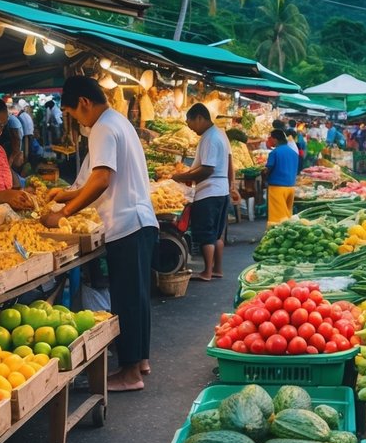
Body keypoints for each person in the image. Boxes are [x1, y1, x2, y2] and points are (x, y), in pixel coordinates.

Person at [40, 76, 158, 393]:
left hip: (126, 223)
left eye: (76, 115)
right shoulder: (119, 122)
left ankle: (130, 373)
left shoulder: (103, 127)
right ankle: (140, 361)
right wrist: (65, 196)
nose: (78, 122)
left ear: (84, 103)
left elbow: (102, 179)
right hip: (140, 221)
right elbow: (97, 179)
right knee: (138, 296)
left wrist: (63, 213)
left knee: (127, 300)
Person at [173, 103, 239, 282]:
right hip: (221, 191)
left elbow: (207, 169)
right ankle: (217, 269)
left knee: (206, 234)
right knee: (217, 234)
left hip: (209, 192)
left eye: (190, 123)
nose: (191, 128)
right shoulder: (219, 134)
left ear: (200, 118)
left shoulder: (210, 138)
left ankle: (207, 272)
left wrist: (180, 177)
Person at [265, 127, 300, 224]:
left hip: (277, 187)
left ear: (275, 139)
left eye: (270, 138)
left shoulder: (274, 152)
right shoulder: (293, 153)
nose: (268, 140)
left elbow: (269, 168)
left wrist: (264, 175)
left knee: (277, 219)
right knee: (287, 215)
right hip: (291, 187)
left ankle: (275, 236)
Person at [0, 103, 24, 169]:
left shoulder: (11, 121)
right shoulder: (12, 119)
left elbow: (17, 139)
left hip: (14, 153)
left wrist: (11, 159)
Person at [16, 98, 35, 163]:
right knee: (29, 152)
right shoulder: (26, 115)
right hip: (29, 135)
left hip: (26, 135)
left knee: (26, 152)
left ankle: (26, 164)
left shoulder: (21, 115)